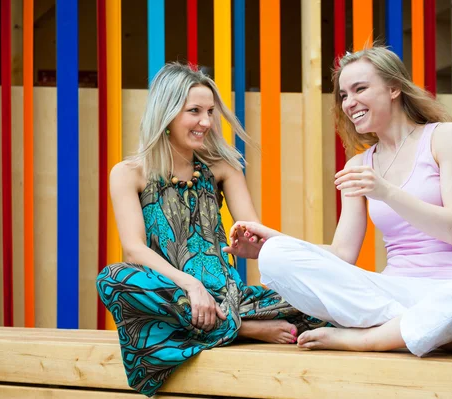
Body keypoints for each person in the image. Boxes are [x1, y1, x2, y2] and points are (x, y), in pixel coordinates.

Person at [227, 46, 452, 357]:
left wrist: (386, 192)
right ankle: (437, 331)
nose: (349, 102)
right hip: (393, 295)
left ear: (394, 87)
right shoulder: (358, 166)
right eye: (343, 95)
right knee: (277, 256)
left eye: (360, 89)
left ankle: (370, 339)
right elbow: (342, 254)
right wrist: (269, 243)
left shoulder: (445, 137)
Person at [95, 62, 325, 397]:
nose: (206, 122)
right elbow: (134, 250)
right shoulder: (129, 172)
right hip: (173, 294)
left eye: (210, 112)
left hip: (229, 296)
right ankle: (243, 330)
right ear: (167, 113)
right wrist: (190, 285)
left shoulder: (222, 167)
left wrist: (262, 246)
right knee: (113, 279)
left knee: (322, 308)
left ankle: (225, 323)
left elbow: (255, 231)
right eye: (195, 111)